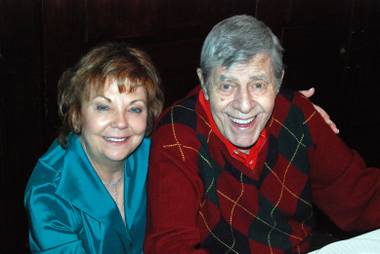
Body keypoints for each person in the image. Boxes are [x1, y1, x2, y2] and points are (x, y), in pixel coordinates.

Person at [144, 15, 380, 253]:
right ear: (204, 82)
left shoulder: (297, 113)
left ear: (278, 82)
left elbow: (360, 194)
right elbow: (170, 245)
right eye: (227, 85)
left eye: (258, 84)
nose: (244, 105)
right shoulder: (177, 135)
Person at [24, 42, 164, 253]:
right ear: (77, 115)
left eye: (135, 109)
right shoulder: (47, 194)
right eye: (103, 107)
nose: (121, 122)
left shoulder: (160, 156)